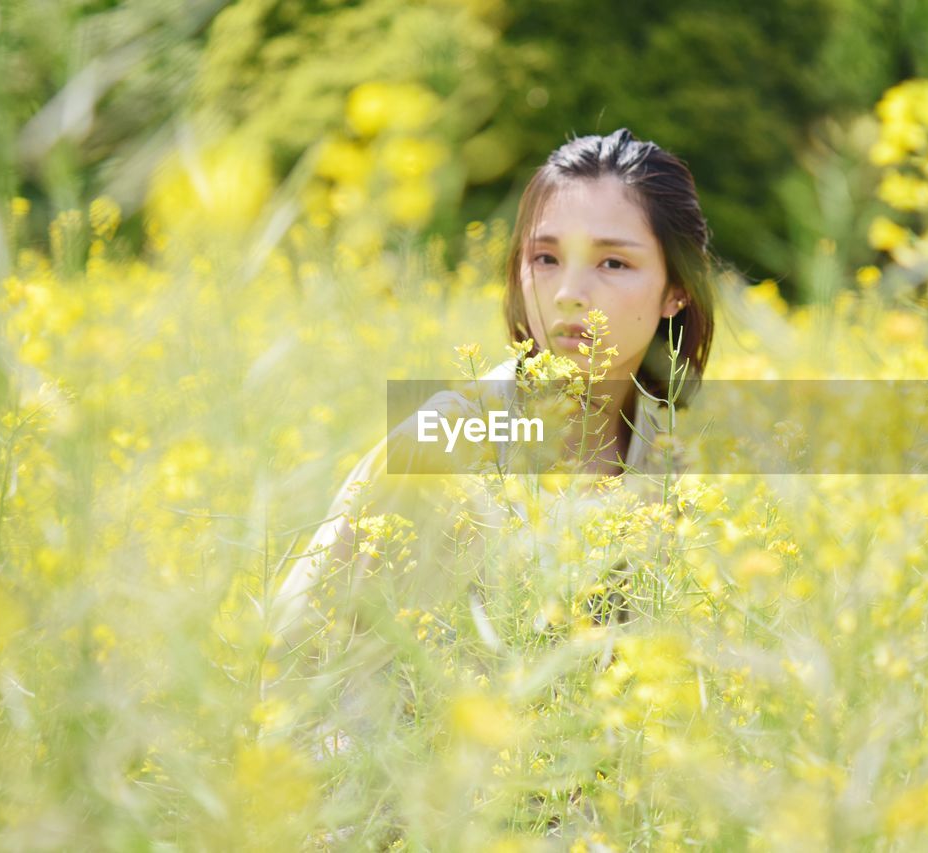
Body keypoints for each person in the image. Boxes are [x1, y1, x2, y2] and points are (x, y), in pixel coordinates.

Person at [264, 128, 719, 754]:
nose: (568, 294)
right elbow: (296, 638)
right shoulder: (454, 436)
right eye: (546, 258)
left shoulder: (684, 455)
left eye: (613, 262)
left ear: (676, 290)